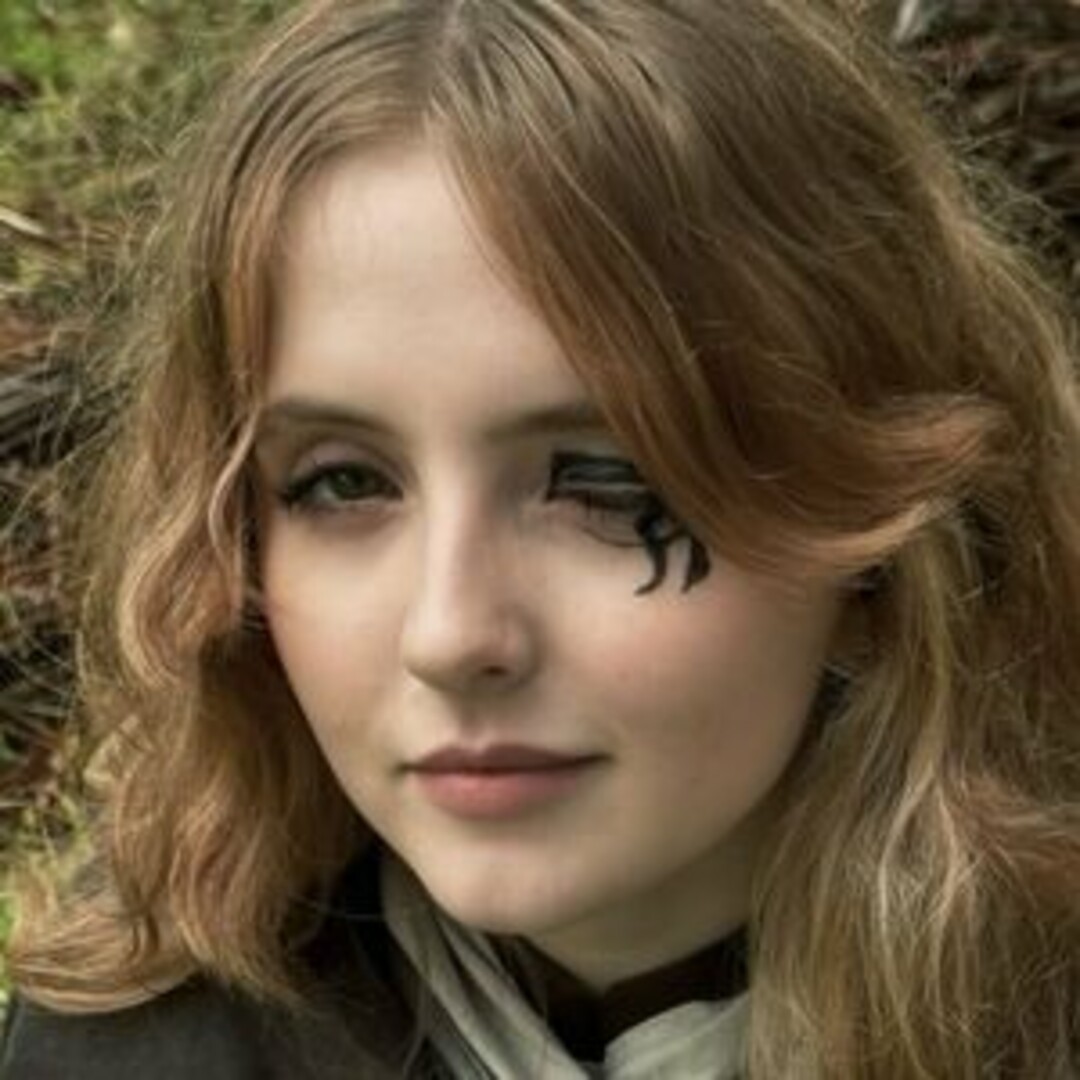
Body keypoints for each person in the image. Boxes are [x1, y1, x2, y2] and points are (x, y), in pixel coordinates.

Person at [2, 0, 1078, 1076]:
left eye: (610, 481)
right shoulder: (122, 1041)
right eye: (343, 483)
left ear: (882, 532)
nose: (448, 635)